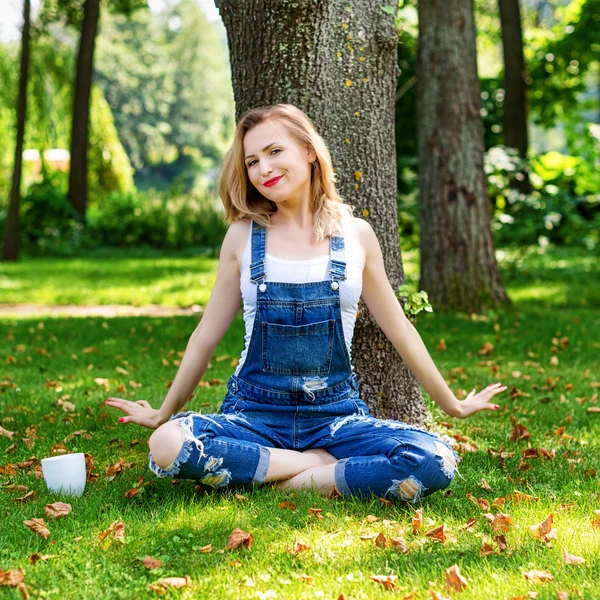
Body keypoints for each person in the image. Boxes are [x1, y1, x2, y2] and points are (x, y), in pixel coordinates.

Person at [104, 104, 506, 502]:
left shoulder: (357, 236)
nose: (264, 169)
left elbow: (399, 329)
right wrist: (162, 413)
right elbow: (205, 337)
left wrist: (451, 405)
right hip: (252, 415)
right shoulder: (242, 237)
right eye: (252, 161)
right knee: (166, 443)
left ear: (310, 151)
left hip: (335, 419)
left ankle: (275, 474)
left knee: (433, 459)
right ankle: (312, 466)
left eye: (275, 151)